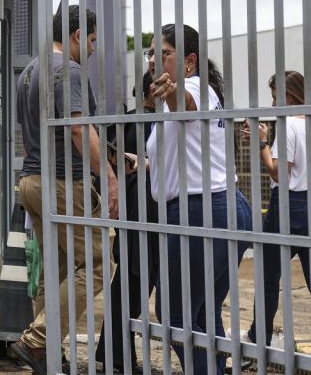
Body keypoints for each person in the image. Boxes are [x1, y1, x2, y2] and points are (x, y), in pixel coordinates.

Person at [10, 5, 119, 375]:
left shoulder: (28, 71)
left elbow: (37, 134)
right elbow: (77, 128)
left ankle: (45, 352)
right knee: (100, 262)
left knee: (56, 271)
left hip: (31, 180)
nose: (92, 49)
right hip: (60, 182)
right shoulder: (68, 70)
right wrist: (106, 174)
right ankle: (36, 340)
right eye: (91, 40)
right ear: (76, 36)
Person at [148, 24, 252, 375]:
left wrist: (172, 93)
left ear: (189, 61)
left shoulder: (194, 89)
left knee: (174, 315)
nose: (152, 60)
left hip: (200, 210)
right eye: (150, 53)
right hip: (222, 207)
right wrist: (140, 163)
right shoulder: (183, 97)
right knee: (202, 312)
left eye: (163, 53)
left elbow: (186, 105)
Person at [95, 70, 158, 374]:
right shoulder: (154, 122)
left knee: (129, 282)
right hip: (147, 211)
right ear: (150, 91)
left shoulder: (124, 122)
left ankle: (113, 353)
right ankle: (117, 356)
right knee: (134, 284)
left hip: (130, 209)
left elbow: (106, 158)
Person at [241, 71, 310, 348]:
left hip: (286, 205)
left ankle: (260, 338)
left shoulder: (290, 124)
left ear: (288, 96)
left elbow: (279, 172)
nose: (272, 105)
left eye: (274, 97)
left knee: (268, 277)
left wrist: (262, 144)